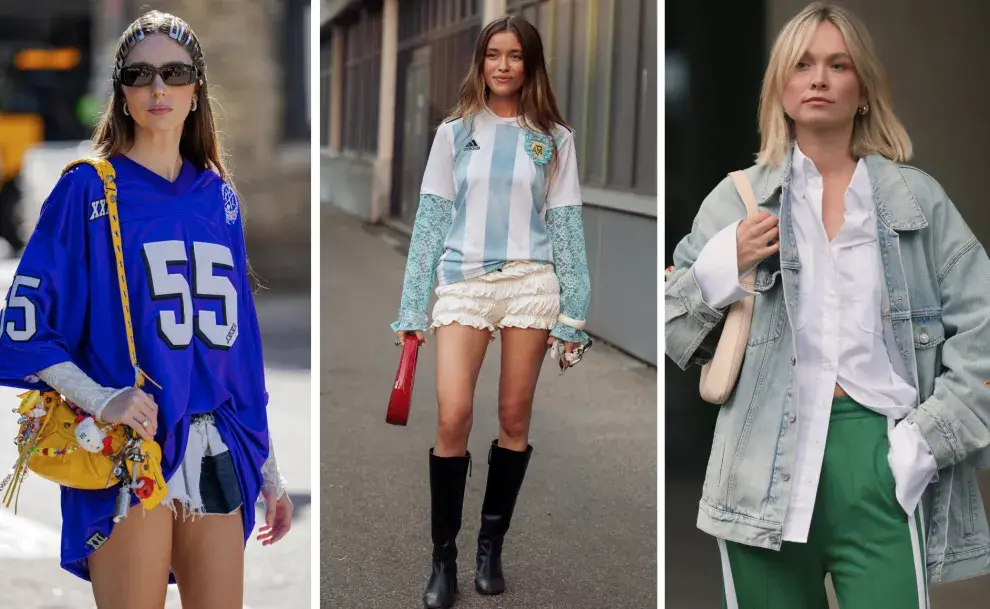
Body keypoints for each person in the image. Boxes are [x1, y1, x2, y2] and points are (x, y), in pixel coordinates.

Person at [665, 2, 990, 607]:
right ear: (781, 87)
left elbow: (983, 320)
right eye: (803, 64)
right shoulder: (738, 200)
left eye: (837, 65)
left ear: (861, 87)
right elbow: (672, 326)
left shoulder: (915, 199)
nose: (819, 78)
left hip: (880, 456)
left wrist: (928, 438)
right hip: (760, 464)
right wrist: (721, 266)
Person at [0, 11, 292, 609]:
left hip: (216, 445)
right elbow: (25, 323)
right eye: (141, 74)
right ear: (122, 92)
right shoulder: (87, 189)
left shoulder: (221, 197)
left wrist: (269, 469)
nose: (159, 88)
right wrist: (100, 396)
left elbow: (238, 350)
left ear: (196, 88)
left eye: (175, 72)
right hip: (128, 446)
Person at [391, 15, 592, 609]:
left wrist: (573, 313)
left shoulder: (554, 138)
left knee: (513, 415)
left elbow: (567, 226)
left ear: (531, 64)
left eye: (515, 56)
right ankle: (443, 557)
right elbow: (429, 222)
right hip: (463, 284)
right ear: (480, 63)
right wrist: (412, 308)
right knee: (453, 416)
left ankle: (490, 547)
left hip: (532, 282)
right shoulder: (454, 133)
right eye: (493, 55)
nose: (503, 66)